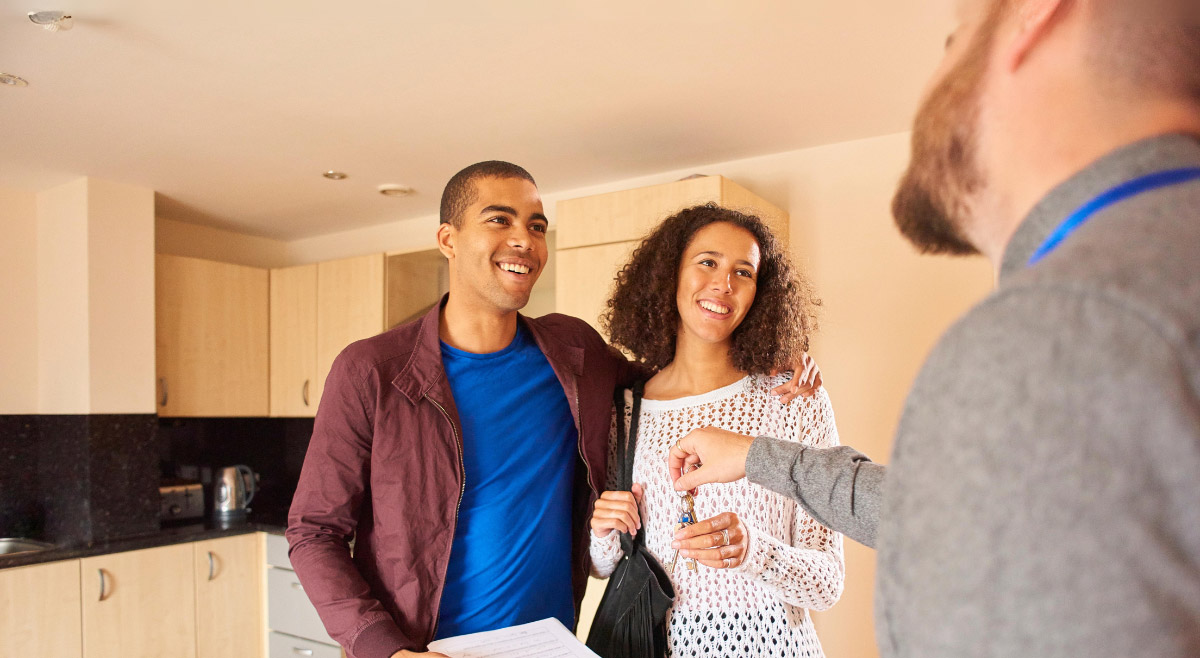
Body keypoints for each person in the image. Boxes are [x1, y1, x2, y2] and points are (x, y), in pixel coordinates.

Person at [668, 0, 1200, 656]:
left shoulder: (1061, 326)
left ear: (1037, 15)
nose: (932, 82)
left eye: (955, 40)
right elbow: (955, 519)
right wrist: (757, 457)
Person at [286, 161, 821, 658]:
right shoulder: (373, 371)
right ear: (448, 239)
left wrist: (776, 361)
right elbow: (313, 532)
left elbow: (674, 384)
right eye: (500, 219)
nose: (524, 239)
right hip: (425, 647)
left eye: (538, 225)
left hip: (547, 645)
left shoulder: (574, 352)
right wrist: (385, 650)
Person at [588, 204, 843, 658]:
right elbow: (603, 566)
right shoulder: (626, 409)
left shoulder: (792, 399)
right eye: (708, 262)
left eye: (743, 272)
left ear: (759, 293)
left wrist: (751, 552)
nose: (724, 284)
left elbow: (827, 583)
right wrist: (605, 531)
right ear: (670, 275)